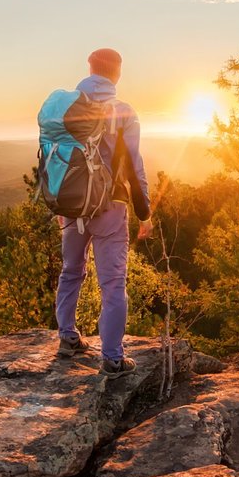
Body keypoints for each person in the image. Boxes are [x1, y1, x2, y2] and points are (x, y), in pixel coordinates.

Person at [55, 48, 153, 378]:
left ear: (90, 69)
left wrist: (61, 203)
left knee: (71, 270)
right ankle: (112, 358)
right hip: (110, 206)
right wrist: (144, 212)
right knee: (112, 284)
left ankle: (67, 337)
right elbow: (133, 166)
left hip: (72, 205)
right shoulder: (123, 112)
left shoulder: (69, 108)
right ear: (117, 73)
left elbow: (57, 158)